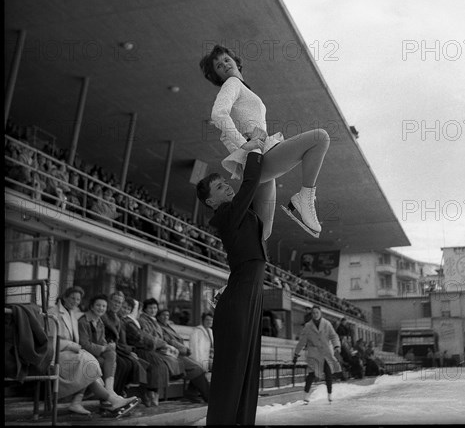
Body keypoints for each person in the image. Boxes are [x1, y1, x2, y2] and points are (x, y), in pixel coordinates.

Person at [199, 44, 330, 240]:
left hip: (258, 160)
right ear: (217, 76)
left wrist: (242, 145)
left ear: (236, 62)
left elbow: (227, 127)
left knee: (262, 232)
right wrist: (244, 144)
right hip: (259, 157)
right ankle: (305, 197)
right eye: (218, 66)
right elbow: (218, 114)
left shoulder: (241, 87)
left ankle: (240, 260)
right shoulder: (232, 84)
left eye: (226, 60)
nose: (224, 65)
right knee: (320, 138)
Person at [196, 147, 267, 425]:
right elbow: (250, 184)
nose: (226, 186)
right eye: (219, 187)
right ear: (211, 201)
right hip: (239, 301)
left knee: (249, 368)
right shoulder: (226, 214)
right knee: (231, 371)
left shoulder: (239, 214)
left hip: (249, 293)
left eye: (225, 183)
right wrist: (256, 150)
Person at [48, 287, 138, 417]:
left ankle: (83, 401)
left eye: (78, 299)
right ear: (65, 297)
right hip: (57, 354)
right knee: (89, 364)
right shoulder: (53, 312)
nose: (75, 301)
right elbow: (51, 342)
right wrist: (73, 346)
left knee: (93, 361)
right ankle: (111, 399)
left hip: (71, 353)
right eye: (72, 298)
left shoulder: (72, 314)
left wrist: (105, 347)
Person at [140, 299, 210, 404]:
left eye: (155, 308)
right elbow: (158, 339)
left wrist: (181, 348)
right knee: (196, 367)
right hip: (162, 353)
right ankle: (204, 396)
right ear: (145, 309)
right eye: (150, 308)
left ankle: (198, 395)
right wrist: (177, 348)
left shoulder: (155, 322)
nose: (153, 310)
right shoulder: (145, 321)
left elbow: (167, 339)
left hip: (170, 352)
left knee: (199, 367)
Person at [121, 298, 170, 407]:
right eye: (139, 310)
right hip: (137, 349)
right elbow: (140, 337)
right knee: (153, 364)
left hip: (144, 348)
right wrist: (156, 343)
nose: (140, 313)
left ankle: (154, 393)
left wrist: (157, 343)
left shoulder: (134, 321)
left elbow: (143, 337)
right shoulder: (130, 322)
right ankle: (147, 394)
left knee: (159, 363)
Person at [102, 291, 148, 396]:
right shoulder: (104, 315)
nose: (117, 304)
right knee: (123, 363)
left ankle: (119, 392)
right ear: (109, 301)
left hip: (116, 348)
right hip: (106, 348)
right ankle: (110, 394)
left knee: (130, 362)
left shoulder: (118, 319)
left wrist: (128, 350)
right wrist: (127, 350)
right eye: (115, 301)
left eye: (119, 302)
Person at [293, 305, 342, 404]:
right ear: (311, 314)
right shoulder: (308, 326)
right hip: (314, 353)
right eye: (313, 313)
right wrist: (296, 353)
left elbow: (334, 336)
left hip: (325, 352)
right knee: (311, 374)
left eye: (317, 313)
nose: (315, 315)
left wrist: (336, 346)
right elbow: (302, 341)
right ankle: (306, 396)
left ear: (320, 313)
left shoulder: (327, 324)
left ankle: (329, 394)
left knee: (328, 373)